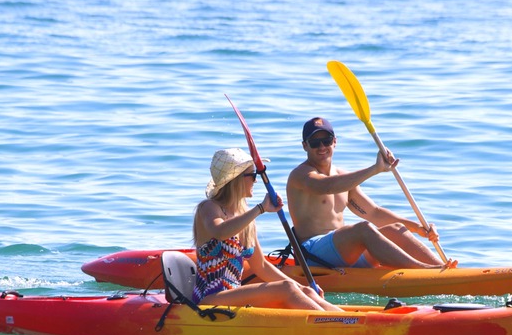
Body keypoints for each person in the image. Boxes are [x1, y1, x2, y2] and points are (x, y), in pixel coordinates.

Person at [286, 117, 453, 269]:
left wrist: (417, 228)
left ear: (335, 142)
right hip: (313, 255)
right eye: (315, 142)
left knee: (396, 229)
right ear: (305, 146)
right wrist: (375, 169)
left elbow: (374, 213)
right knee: (363, 229)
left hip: (343, 254)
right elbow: (327, 187)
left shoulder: (343, 178)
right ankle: (423, 270)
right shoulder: (300, 175)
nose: (322, 146)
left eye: (326, 140)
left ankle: (445, 271)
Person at [192, 147, 342, 311]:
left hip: (233, 294)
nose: (256, 180)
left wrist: (301, 287)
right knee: (286, 288)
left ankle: (344, 321)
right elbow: (220, 231)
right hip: (209, 298)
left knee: (304, 291)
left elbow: (261, 266)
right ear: (236, 179)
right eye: (253, 175)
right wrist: (261, 208)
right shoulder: (209, 207)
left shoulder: (244, 216)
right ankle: (331, 324)